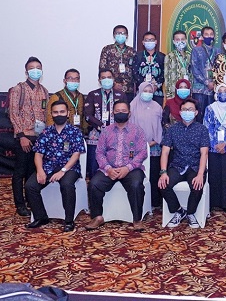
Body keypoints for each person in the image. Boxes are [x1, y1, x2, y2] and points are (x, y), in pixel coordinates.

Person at [86, 100, 148, 231]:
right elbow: (99, 152)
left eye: (124, 111)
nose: (120, 113)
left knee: (136, 185)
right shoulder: (106, 131)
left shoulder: (137, 131)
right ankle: (97, 217)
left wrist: (128, 168)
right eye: (117, 111)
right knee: (93, 184)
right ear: (113, 113)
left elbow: (142, 153)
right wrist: (108, 169)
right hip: (109, 168)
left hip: (131, 169)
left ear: (129, 113)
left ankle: (137, 219)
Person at [25, 100, 86, 232]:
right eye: (56, 112)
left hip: (69, 168)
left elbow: (76, 154)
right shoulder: (46, 132)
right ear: (51, 114)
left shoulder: (75, 131)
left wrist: (63, 171)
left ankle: (69, 220)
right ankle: (41, 217)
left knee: (67, 185)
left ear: (68, 113)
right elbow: (38, 154)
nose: (59, 115)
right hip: (48, 167)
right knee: (30, 186)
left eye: (62, 112)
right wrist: (40, 171)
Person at [159, 98, 209, 228]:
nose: (187, 112)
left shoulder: (202, 129)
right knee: (163, 184)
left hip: (195, 166)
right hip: (178, 165)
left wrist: (200, 174)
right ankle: (179, 211)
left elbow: (204, 153)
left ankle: (191, 213)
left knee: (197, 185)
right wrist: (163, 172)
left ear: (196, 112)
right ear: (180, 112)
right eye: (184, 109)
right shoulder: (172, 129)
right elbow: (165, 152)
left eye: (190, 109)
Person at [9, 56, 49, 216]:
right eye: (32, 68)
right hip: (24, 137)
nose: (36, 71)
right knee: (20, 172)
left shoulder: (44, 91)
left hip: (38, 137)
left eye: (38, 68)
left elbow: (45, 115)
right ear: (26, 72)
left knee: (33, 171)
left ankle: (30, 200)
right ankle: (20, 204)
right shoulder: (18, 89)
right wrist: (21, 136)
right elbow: (13, 113)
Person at [204, 84, 226, 212]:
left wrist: (225, 143)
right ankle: (214, 202)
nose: (222, 93)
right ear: (216, 94)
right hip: (214, 147)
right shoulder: (210, 108)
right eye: (220, 91)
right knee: (214, 175)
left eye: (225, 91)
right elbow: (207, 127)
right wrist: (216, 144)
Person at [84, 68, 125, 178]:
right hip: (96, 134)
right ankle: (93, 183)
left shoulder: (121, 95)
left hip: (116, 133)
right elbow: (87, 115)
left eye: (109, 77)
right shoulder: (92, 94)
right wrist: (101, 126)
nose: (106, 80)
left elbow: (124, 113)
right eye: (103, 78)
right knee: (94, 165)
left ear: (113, 79)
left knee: (115, 163)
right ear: (99, 80)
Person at [130, 82, 163, 209]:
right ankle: (139, 202)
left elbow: (160, 127)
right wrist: (140, 144)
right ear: (140, 91)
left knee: (154, 174)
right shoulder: (132, 106)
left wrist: (152, 142)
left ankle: (154, 202)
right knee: (137, 174)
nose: (148, 93)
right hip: (136, 147)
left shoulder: (157, 107)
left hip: (154, 146)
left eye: (150, 91)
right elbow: (129, 127)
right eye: (145, 91)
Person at [99, 25, 136, 101]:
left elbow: (135, 70)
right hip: (110, 87)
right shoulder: (107, 49)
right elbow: (102, 68)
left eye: (123, 33)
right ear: (114, 35)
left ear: (127, 36)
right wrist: (113, 84)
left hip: (128, 89)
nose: (120, 35)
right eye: (118, 33)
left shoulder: (132, 51)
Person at [45, 68, 87, 134]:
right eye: (70, 78)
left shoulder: (81, 97)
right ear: (64, 81)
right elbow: (49, 117)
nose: (73, 81)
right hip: (61, 134)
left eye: (76, 79)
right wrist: (53, 134)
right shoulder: (56, 96)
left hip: (78, 133)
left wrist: (85, 132)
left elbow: (84, 116)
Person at [131, 31, 165, 106]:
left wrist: (156, 85)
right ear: (143, 42)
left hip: (157, 92)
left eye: (151, 40)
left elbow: (164, 73)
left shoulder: (162, 57)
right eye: (147, 40)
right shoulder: (138, 56)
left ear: (156, 42)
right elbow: (134, 73)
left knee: (157, 111)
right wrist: (144, 86)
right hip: (142, 91)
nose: (149, 42)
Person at [191, 26, 218, 122]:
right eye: (206, 34)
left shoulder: (217, 51)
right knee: (199, 117)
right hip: (199, 90)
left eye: (211, 34)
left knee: (211, 117)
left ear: (214, 36)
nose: (209, 37)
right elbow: (195, 70)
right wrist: (207, 82)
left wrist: (215, 83)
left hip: (212, 90)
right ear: (202, 37)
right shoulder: (196, 50)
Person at [164, 30, 192, 100]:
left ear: (186, 41)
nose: (180, 41)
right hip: (174, 93)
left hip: (187, 92)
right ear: (174, 41)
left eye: (182, 39)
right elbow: (166, 77)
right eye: (177, 40)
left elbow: (192, 75)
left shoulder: (189, 56)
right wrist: (168, 95)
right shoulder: (169, 56)